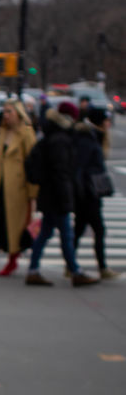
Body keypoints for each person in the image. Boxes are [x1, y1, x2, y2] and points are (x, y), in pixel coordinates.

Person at [25, 102, 99, 287]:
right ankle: (74, 271)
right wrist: (67, 197)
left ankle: (34, 270)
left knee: (46, 233)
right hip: (57, 195)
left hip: (50, 194)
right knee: (65, 235)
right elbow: (61, 172)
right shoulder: (61, 139)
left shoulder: (52, 134)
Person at [0, 98, 37, 276]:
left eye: (9, 112)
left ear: (18, 114)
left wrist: (32, 193)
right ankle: (12, 253)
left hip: (19, 189)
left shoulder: (26, 133)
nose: (6, 115)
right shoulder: (3, 132)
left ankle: (13, 260)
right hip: (2, 186)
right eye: (4, 112)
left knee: (16, 227)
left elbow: (33, 163)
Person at [73, 108, 118, 278]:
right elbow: (80, 168)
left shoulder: (94, 137)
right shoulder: (88, 139)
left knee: (79, 230)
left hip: (89, 193)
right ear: (99, 121)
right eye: (106, 120)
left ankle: (71, 265)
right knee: (98, 230)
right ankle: (102, 268)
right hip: (87, 195)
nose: (109, 123)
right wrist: (82, 192)